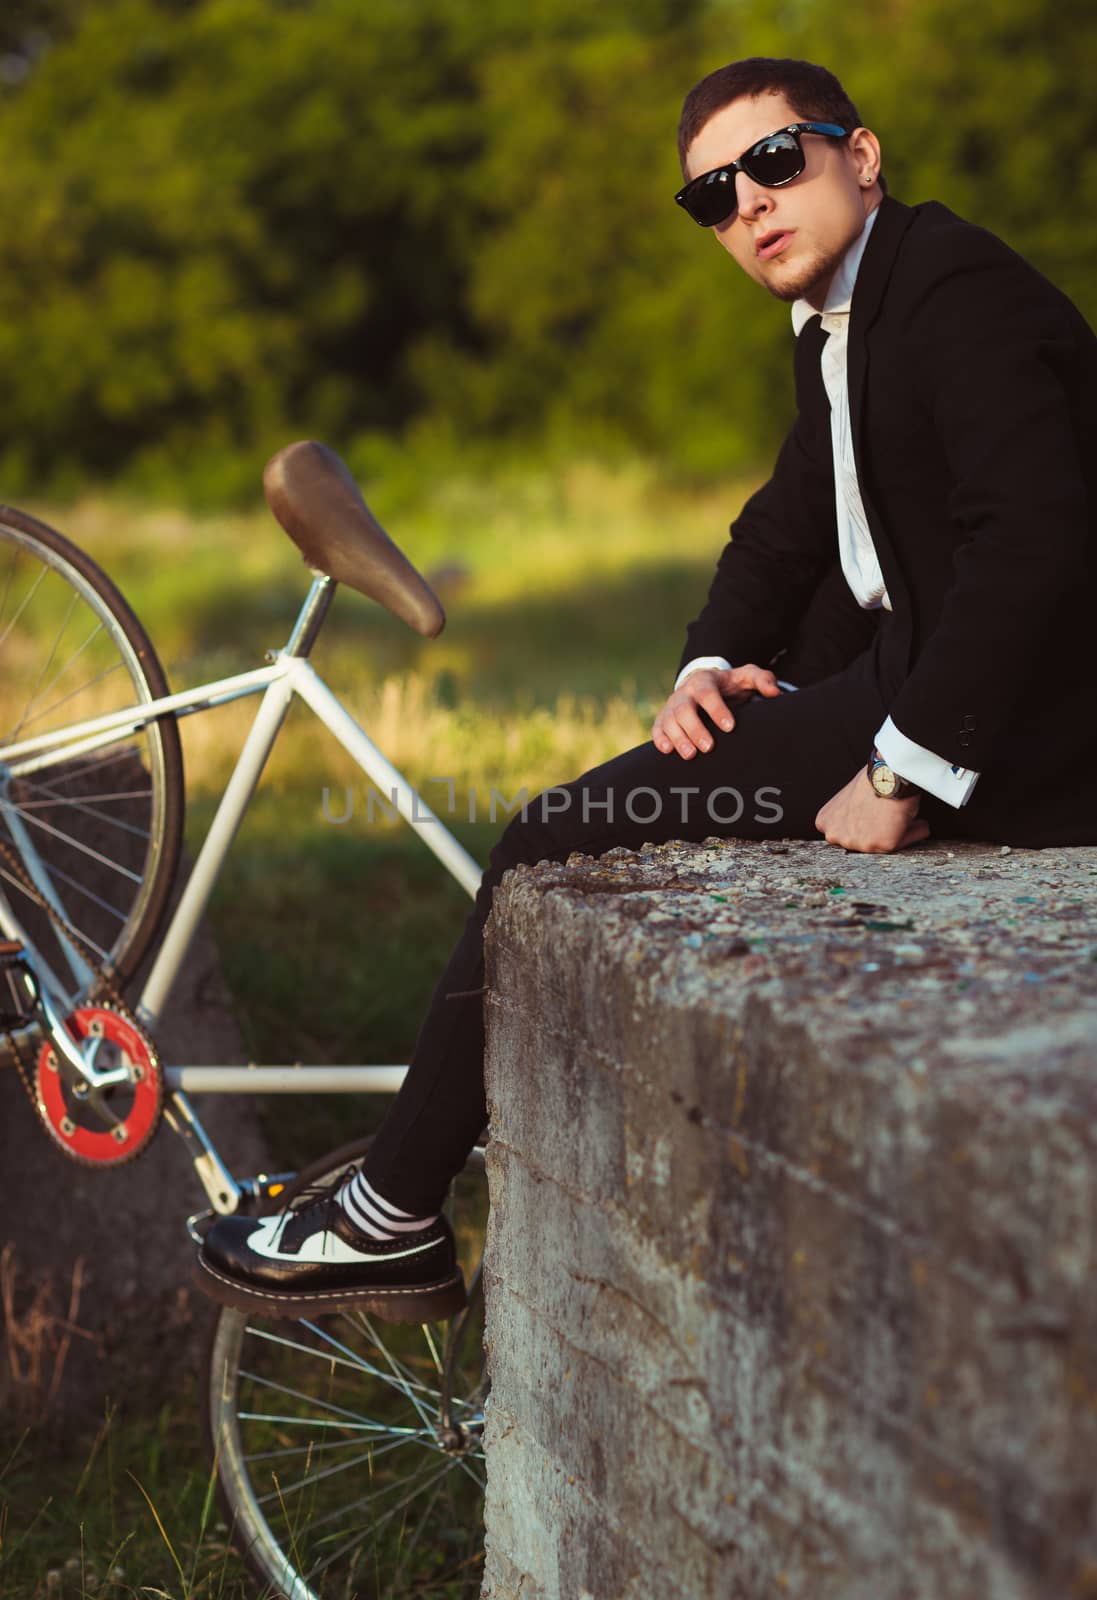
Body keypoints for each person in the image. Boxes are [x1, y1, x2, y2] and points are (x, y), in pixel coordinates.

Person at [196, 56, 1097, 1319]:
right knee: (600, 811)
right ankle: (393, 1200)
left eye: (775, 163)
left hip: (1013, 729)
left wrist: (905, 767)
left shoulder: (950, 291)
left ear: (861, 154)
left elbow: (1035, 535)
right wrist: (705, 666)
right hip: (906, 677)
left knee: (548, 833)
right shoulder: (848, 312)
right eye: (713, 198)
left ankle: (389, 1212)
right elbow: (785, 528)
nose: (750, 208)